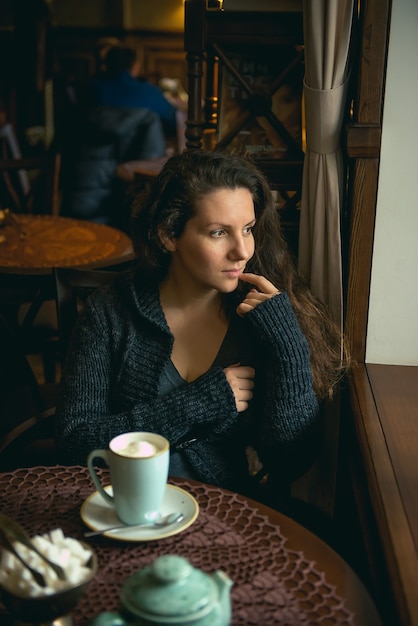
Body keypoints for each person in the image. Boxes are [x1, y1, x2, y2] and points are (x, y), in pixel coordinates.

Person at [55, 150, 347, 508]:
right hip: (121, 510)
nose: (241, 251)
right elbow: (75, 441)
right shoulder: (111, 312)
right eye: (218, 232)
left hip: (221, 515)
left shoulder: (260, 320)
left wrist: (289, 348)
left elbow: (289, 463)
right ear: (168, 234)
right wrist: (196, 404)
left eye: (248, 229)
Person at [89, 44, 180, 138]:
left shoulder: (89, 90)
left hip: (94, 150)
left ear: (106, 65)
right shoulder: (150, 92)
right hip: (143, 150)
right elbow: (174, 123)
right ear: (135, 66)